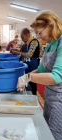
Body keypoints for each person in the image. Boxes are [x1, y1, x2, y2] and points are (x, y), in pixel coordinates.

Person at [17, 10, 62, 140]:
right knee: (47, 130)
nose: (39, 37)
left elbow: (57, 77)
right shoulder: (50, 45)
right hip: (50, 96)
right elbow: (41, 70)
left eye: (40, 33)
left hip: (60, 99)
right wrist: (26, 77)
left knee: (56, 134)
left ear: (50, 25)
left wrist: (28, 77)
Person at [11, 28, 41, 95]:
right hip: (27, 65)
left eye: (23, 37)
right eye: (21, 37)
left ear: (27, 35)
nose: (22, 39)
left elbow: (29, 54)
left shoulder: (34, 41)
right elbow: (22, 51)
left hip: (33, 65)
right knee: (27, 80)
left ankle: (34, 95)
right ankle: (28, 94)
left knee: (33, 81)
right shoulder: (25, 42)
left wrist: (17, 53)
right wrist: (16, 50)